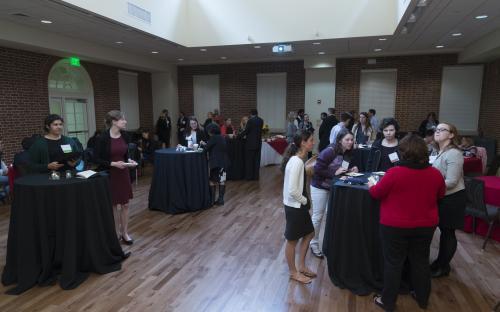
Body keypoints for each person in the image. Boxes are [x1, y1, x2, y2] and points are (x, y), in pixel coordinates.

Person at [368, 134, 446, 311]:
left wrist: (372, 184)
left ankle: (387, 301)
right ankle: (422, 297)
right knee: (420, 261)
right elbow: (441, 195)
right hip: (425, 225)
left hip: (394, 226)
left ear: (403, 153)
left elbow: (376, 194)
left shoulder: (394, 173)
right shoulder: (435, 174)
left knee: (393, 263)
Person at [310, 129, 358, 257]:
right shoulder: (330, 151)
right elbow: (317, 169)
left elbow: (340, 169)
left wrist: (350, 170)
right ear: (340, 140)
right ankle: (313, 243)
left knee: (331, 215)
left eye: (352, 140)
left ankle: (330, 243)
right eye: (347, 139)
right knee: (318, 216)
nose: (350, 142)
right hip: (319, 186)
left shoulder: (347, 152)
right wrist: (333, 173)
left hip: (332, 187)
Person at [94, 110, 137, 245]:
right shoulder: (102, 138)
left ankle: (124, 232)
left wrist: (129, 160)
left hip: (123, 173)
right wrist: (113, 164)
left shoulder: (125, 135)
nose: (125, 121)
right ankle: (115, 233)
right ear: (114, 121)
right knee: (113, 205)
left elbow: (125, 154)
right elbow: (96, 159)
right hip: (110, 174)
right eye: (122, 119)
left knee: (125, 204)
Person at [430, 122, 465, 278]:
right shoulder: (441, 151)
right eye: (436, 129)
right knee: (444, 232)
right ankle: (439, 263)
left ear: (451, 135)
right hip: (443, 196)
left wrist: (427, 185)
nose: (437, 132)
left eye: (442, 130)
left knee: (448, 233)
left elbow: (451, 181)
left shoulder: (454, 153)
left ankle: (443, 266)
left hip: (452, 198)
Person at [281, 130, 316, 284]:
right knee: (292, 240)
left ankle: (301, 266)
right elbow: (293, 191)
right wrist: (304, 201)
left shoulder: (299, 160)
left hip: (297, 205)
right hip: (295, 206)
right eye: (311, 140)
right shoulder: (296, 162)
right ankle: (293, 272)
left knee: (309, 233)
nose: (313, 143)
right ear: (303, 142)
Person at [202, 123, 229, 206]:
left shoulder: (213, 138)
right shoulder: (221, 137)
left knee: (212, 181)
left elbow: (205, 149)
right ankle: (221, 200)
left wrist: (204, 144)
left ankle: (212, 200)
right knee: (222, 180)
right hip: (224, 162)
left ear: (210, 131)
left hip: (216, 162)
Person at [239, 109, 264, 180]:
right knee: (257, 161)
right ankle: (256, 176)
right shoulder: (261, 120)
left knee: (249, 161)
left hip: (250, 144)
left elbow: (247, 131)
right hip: (258, 143)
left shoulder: (250, 121)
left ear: (251, 114)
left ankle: (249, 176)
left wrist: (239, 136)